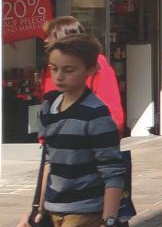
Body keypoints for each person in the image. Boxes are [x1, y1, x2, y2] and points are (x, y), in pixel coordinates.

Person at [21, 35, 126, 227]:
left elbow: (113, 171)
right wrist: (37, 207)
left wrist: (109, 219)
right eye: (54, 68)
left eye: (69, 70)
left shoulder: (96, 114)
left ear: (91, 69)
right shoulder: (49, 104)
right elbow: (49, 159)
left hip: (86, 212)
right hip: (53, 209)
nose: (59, 76)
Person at [40, 17, 125, 135]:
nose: (45, 40)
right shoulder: (51, 66)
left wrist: (105, 137)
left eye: (49, 36)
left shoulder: (95, 62)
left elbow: (111, 107)